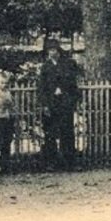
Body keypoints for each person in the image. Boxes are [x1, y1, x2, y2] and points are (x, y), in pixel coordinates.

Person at [37, 38, 79, 169]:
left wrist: (68, 96)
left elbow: (73, 84)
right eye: (49, 50)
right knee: (50, 134)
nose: (52, 52)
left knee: (67, 132)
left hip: (65, 103)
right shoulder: (45, 67)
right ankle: (51, 162)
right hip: (51, 104)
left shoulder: (68, 64)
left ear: (58, 50)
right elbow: (41, 88)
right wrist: (44, 105)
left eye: (54, 49)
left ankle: (69, 162)